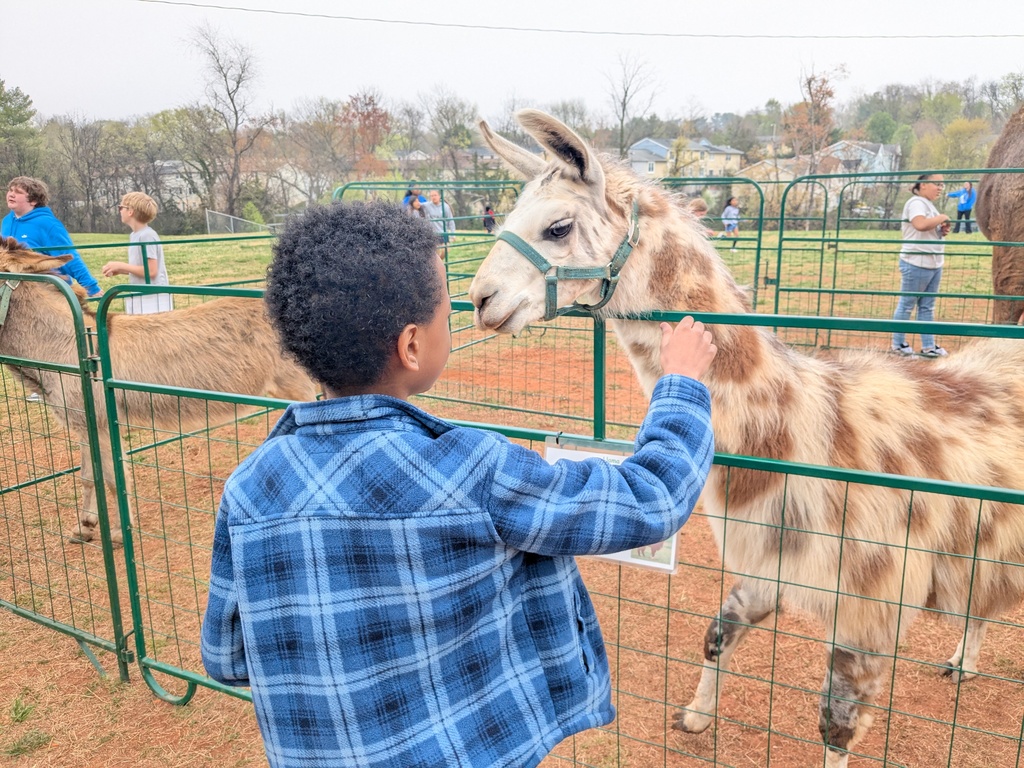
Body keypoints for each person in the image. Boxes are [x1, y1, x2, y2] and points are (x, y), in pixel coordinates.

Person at [200, 201, 717, 768]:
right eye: (448, 313)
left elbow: (226, 658)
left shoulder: (249, 489)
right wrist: (681, 385)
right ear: (412, 345)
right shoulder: (472, 470)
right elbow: (651, 499)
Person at [2, 176, 103, 297]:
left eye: (18, 192)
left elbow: (69, 256)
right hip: (13, 292)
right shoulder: (6, 221)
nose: (11, 195)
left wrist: (91, 287)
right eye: (10, 190)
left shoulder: (48, 224)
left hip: (46, 293)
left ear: (33, 200)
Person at [891, 173, 950, 357]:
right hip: (917, 262)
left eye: (942, 185)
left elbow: (926, 228)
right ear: (923, 185)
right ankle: (898, 345)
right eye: (937, 183)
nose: (940, 187)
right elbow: (919, 224)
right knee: (907, 304)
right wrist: (941, 218)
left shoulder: (928, 205)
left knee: (927, 306)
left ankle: (928, 346)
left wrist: (940, 230)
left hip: (932, 262)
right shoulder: (916, 203)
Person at [101, 192, 173, 314]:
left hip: (153, 298)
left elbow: (151, 271)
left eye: (121, 207)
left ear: (130, 211)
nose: (120, 211)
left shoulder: (147, 235)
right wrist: (120, 270)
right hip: (142, 295)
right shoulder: (135, 235)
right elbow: (141, 268)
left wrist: (121, 265)